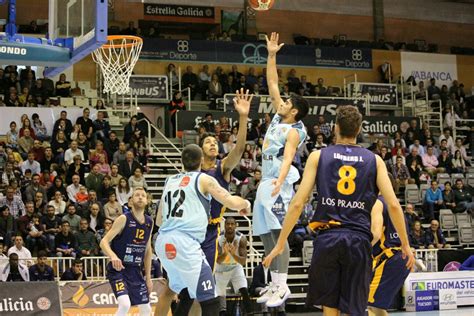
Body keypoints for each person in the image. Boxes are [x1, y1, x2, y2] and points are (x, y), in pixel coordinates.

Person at [263, 104, 414, 315]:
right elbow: (395, 206)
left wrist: (280, 244)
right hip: (359, 240)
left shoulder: (318, 156)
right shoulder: (375, 161)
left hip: (328, 239)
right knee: (356, 308)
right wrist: (405, 245)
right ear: (359, 129)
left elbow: (298, 203)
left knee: (330, 308)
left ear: (335, 128)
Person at [155, 144, 251, 316]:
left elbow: (159, 219)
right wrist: (246, 204)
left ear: (181, 162)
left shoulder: (169, 181)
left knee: (177, 291)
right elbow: (230, 201)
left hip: (163, 241)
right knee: (211, 298)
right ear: (201, 160)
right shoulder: (203, 179)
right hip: (185, 242)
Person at [252, 32, 309, 308]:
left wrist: (280, 181)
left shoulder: (296, 130)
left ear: (295, 111)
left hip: (278, 181)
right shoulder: (279, 115)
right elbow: (272, 82)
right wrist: (272, 54)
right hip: (266, 180)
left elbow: (288, 157)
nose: (282, 101)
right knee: (265, 234)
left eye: (287, 102)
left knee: (279, 234)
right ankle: (274, 284)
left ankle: (283, 286)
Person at [99, 187, 153, 316]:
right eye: (137, 195)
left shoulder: (149, 222)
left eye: (143, 196)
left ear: (147, 201)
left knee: (147, 309)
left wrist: (149, 278)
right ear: (130, 202)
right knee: (124, 304)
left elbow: (148, 250)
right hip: (119, 270)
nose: (140, 197)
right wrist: (113, 256)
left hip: (135, 271)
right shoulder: (124, 219)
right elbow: (103, 242)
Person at [367, 195, 411, 316]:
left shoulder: (377, 202)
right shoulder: (394, 205)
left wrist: (359, 249)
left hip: (390, 258)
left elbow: (375, 234)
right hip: (400, 257)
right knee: (375, 306)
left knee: (369, 303)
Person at [215, 217, 252, 315]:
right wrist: (226, 253)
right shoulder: (218, 238)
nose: (230, 226)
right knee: (221, 292)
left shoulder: (242, 239)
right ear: (225, 225)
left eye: (232, 224)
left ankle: (250, 312)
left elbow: (243, 262)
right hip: (221, 267)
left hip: (235, 266)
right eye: (228, 224)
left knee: (244, 289)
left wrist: (233, 254)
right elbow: (217, 260)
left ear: (236, 225)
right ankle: (222, 313)